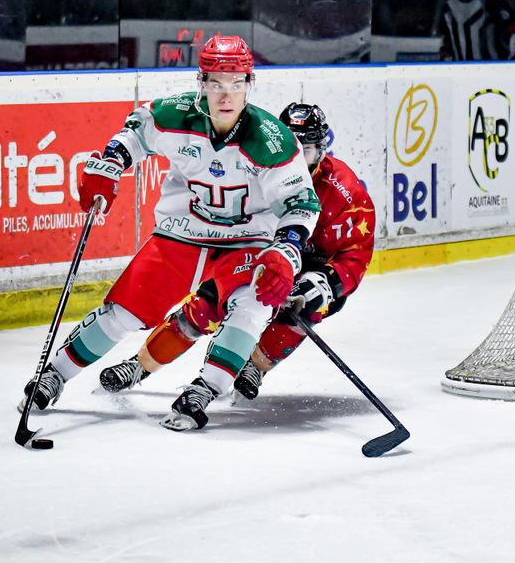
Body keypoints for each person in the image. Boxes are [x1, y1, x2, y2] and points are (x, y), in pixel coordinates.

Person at [20, 35, 321, 431]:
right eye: (216, 83)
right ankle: (54, 374)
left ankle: (204, 390)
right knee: (124, 312)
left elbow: (301, 203)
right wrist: (110, 163)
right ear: (202, 82)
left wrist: (286, 250)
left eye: (236, 84)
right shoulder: (174, 114)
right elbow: (135, 133)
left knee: (253, 304)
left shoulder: (272, 139)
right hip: (181, 233)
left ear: (250, 84)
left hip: (245, 241)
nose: (226, 95)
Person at [100, 102, 375, 404]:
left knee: (304, 306)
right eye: (293, 145)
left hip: (311, 264)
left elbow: (356, 252)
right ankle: (139, 365)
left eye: (306, 149)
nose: (297, 156)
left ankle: (256, 365)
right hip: (259, 252)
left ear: (322, 150)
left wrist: (327, 282)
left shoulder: (345, 191)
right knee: (204, 307)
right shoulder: (256, 167)